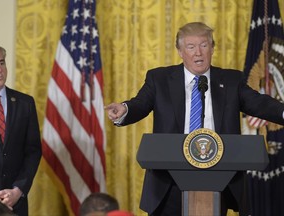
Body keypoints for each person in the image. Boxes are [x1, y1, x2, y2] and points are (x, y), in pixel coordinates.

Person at [105, 22, 284, 216]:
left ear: (212, 48)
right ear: (180, 51)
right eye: (191, 47)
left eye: (204, 45)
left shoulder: (231, 80)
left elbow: (259, 103)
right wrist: (124, 109)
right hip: (169, 178)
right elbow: (140, 104)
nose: (198, 52)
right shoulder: (160, 79)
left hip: (219, 176)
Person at [0, 45, 42, 216]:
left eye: (1, 63)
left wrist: (18, 190)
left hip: (15, 203)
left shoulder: (25, 103)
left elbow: (33, 152)